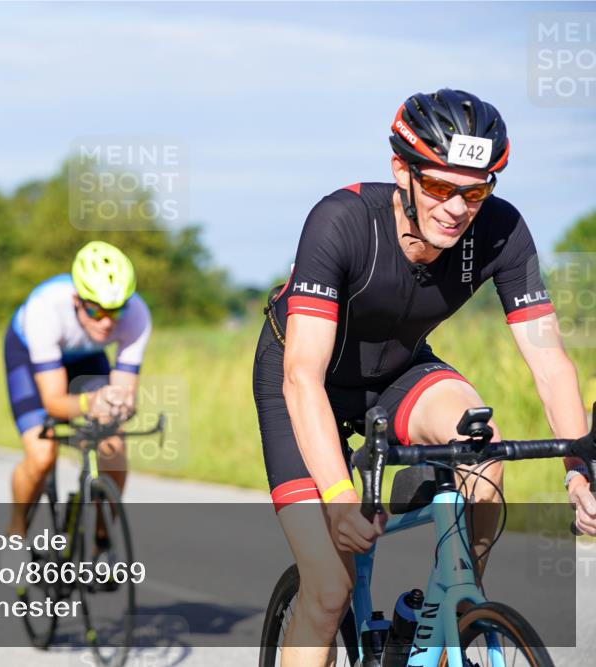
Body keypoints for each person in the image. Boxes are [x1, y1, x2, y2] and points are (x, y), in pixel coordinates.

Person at [252, 89, 596, 666]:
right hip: (302, 383)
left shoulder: (502, 232)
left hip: (396, 371)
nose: (457, 208)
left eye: (476, 190)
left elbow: (549, 361)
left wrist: (579, 471)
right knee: (329, 590)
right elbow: (301, 378)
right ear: (401, 172)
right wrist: (338, 498)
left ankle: (448, 614)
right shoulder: (342, 220)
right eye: (439, 186)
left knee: (482, 451)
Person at [5, 241, 152, 539]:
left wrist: (119, 405)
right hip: (30, 357)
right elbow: (54, 403)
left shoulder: (137, 315)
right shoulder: (45, 309)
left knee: (113, 446)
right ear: (76, 300)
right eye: (95, 311)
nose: (107, 322)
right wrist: (90, 403)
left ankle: (101, 538)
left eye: (115, 311)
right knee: (42, 455)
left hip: (87, 357)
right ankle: (17, 529)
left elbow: (125, 394)